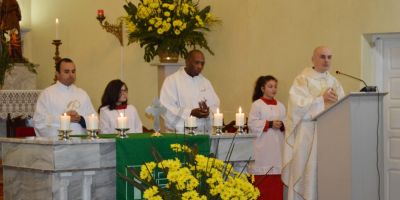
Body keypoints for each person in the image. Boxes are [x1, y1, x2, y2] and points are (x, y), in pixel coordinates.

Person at [282, 46, 345, 200]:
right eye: (322, 56)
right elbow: (297, 106)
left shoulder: (334, 81)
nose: (326, 60)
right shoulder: (302, 79)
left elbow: (343, 104)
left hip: (329, 135)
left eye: (329, 57)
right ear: (313, 59)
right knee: (306, 174)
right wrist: (321, 100)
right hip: (308, 135)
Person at [160, 49, 220, 133]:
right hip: (181, 135)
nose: (200, 66)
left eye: (202, 63)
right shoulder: (172, 81)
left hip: (203, 133)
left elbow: (215, 105)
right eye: (197, 62)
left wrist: (208, 112)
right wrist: (190, 113)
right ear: (187, 62)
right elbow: (166, 108)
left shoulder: (206, 83)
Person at [33, 58, 96, 137]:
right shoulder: (47, 94)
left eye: (73, 71)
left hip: (81, 144)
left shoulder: (82, 94)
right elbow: (39, 121)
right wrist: (63, 118)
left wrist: (81, 119)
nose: (71, 75)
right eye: (66, 72)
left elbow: (94, 119)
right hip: (58, 146)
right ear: (57, 73)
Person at [248, 75, 286, 200]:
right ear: (262, 88)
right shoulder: (257, 105)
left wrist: (282, 125)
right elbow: (252, 124)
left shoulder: (281, 106)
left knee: (276, 184)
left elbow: (288, 123)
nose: (273, 89)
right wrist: (269, 124)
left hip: (278, 148)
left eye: (275, 86)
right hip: (262, 148)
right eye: (270, 86)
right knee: (262, 185)